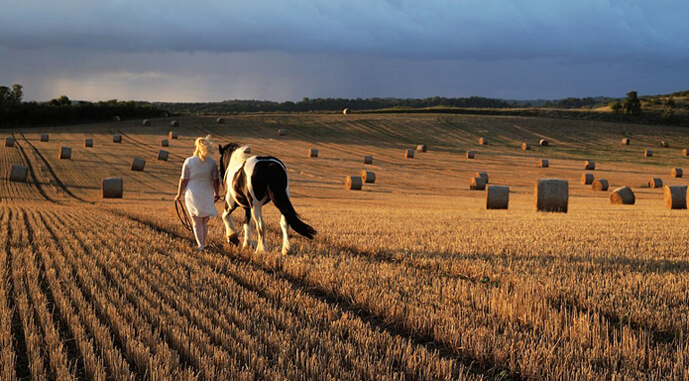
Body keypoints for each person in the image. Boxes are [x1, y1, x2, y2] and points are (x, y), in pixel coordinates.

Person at [174, 135, 221, 251]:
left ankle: (201, 245)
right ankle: (202, 243)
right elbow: (216, 180)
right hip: (207, 191)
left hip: (193, 192)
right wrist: (216, 193)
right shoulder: (212, 163)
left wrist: (179, 194)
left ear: (195, 147)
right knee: (204, 220)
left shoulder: (188, 161)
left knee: (196, 220)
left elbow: (183, 180)